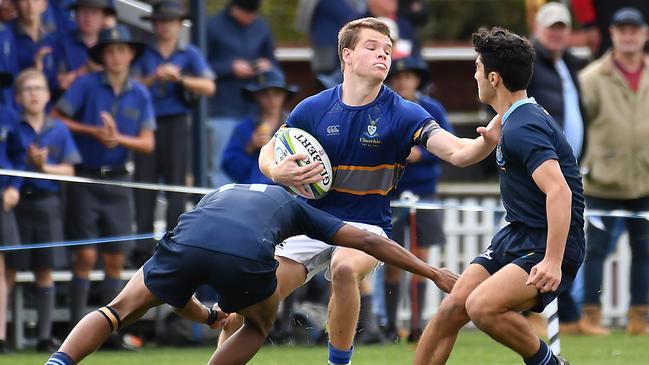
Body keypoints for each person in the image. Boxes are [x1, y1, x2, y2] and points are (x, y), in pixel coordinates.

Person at [220, 17, 502, 365]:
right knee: (249, 296)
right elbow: (271, 147)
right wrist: (275, 170)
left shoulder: (402, 112)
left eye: (387, 50)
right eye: (372, 47)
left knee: (343, 268)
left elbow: (457, 152)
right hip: (310, 221)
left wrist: (484, 144)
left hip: (367, 227)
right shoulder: (314, 107)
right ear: (347, 55)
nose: (383, 55)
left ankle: (339, 363)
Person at [44, 183, 458, 365]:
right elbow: (369, 242)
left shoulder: (223, 190)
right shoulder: (297, 205)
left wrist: (208, 317)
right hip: (243, 258)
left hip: (186, 240)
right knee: (258, 327)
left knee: (118, 310)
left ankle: (60, 362)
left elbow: (177, 290)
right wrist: (431, 271)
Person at [413, 27, 583, 365]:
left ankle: (551, 363)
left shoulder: (523, 127)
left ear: (494, 78)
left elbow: (559, 191)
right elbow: (462, 154)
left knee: (481, 307)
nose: (473, 75)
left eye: (477, 68)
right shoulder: (513, 119)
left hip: (548, 242)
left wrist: (551, 260)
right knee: (452, 309)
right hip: (517, 234)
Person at [51, 25, 155, 347]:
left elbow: (147, 143)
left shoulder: (140, 92)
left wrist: (116, 138)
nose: (116, 56)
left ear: (130, 54)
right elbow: (57, 117)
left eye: (122, 50)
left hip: (119, 180)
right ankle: (73, 332)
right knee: (83, 256)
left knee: (114, 257)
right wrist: (92, 132)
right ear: (103, 56)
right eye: (110, 51)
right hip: (85, 176)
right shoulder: (85, 85)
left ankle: (110, 334)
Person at [526, 2, 601, 337]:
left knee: (566, 238)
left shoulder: (568, 62)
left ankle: (567, 317)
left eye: (562, 27)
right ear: (538, 30)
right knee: (539, 239)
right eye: (551, 27)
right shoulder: (528, 64)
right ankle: (531, 311)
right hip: (540, 167)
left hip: (570, 169)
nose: (557, 33)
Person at [578, 7, 649, 336]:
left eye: (634, 29)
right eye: (622, 29)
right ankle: (591, 315)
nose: (629, 35)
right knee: (596, 252)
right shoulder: (590, 77)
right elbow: (581, 127)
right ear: (613, 34)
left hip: (645, 179)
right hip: (603, 179)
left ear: (645, 34)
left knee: (645, 252)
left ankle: (640, 317)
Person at [131, 0, 216, 267]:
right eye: (160, 22)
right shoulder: (144, 53)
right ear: (154, 25)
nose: (164, 27)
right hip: (147, 123)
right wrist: (154, 78)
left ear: (179, 25)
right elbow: (130, 84)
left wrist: (179, 79)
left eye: (169, 22)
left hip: (177, 123)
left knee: (175, 184)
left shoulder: (188, 52)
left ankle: (174, 241)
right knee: (143, 185)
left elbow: (208, 86)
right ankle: (142, 246)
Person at [4, 69, 80, 352]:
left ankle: (44, 337)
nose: (33, 94)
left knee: (45, 270)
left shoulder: (58, 129)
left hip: (47, 203)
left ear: (48, 95)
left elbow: (70, 169)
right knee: (9, 270)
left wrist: (43, 167)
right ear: (18, 97)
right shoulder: (11, 126)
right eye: (27, 90)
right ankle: (7, 337)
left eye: (39, 88)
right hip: (17, 202)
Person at [383, 55, 454, 342]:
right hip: (392, 193)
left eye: (409, 76)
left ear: (417, 80)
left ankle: (416, 325)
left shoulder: (432, 109)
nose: (403, 82)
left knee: (422, 259)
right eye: (398, 77)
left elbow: (447, 144)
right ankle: (390, 325)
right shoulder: (384, 109)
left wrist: (420, 154)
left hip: (424, 192)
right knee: (391, 260)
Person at [206, 0, 277, 188]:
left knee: (259, 163)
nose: (250, 18)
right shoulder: (213, 26)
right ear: (234, 8)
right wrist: (229, 67)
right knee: (223, 168)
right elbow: (200, 66)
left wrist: (266, 66)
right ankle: (220, 210)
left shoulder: (261, 26)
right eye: (246, 13)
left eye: (253, 14)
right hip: (223, 108)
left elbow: (273, 63)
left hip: (256, 111)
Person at [222, 68, 297, 184]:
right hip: (252, 192)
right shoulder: (243, 129)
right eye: (265, 94)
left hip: (286, 193)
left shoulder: (295, 127)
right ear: (256, 96)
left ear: (284, 95)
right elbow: (231, 170)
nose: (271, 99)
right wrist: (250, 147)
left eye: (277, 94)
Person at [0, 71, 25, 353]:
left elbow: (18, 156)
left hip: (3, 199)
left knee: (4, 268)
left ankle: (1, 336)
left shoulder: (7, 114)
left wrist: (14, 186)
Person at [53, 0, 116, 94]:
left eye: (94, 13)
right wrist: (85, 70)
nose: (88, 18)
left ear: (103, 18)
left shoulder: (113, 46)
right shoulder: (60, 43)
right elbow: (59, 84)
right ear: (76, 15)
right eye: (84, 12)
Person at [10, 0, 58, 95]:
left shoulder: (52, 39)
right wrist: (35, 70)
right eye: (24, 1)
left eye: (35, 1)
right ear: (16, 4)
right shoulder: (7, 36)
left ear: (44, 4)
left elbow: (54, 81)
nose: (30, 6)